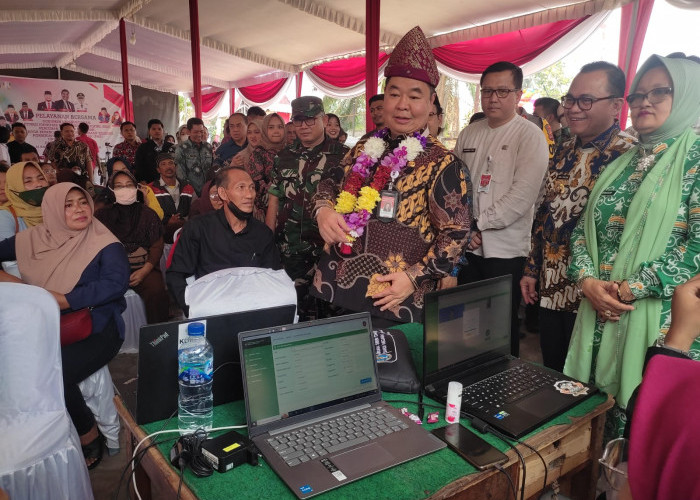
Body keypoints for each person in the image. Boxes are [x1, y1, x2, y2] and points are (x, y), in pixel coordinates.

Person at [565, 53, 700, 440]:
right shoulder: (623, 160)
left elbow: (697, 250)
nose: (645, 101)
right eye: (638, 93)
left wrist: (628, 290)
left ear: (690, 95)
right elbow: (582, 231)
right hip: (597, 312)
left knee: (644, 439)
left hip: (661, 323)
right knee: (592, 431)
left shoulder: (696, 159)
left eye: (661, 91)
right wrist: (588, 282)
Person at [312, 26, 472, 325]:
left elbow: (456, 234)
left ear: (431, 101)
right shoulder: (365, 145)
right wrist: (323, 209)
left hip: (396, 299)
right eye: (394, 93)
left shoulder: (444, 164)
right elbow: (331, 180)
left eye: (414, 96)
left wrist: (414, 278)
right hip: (340, 290)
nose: (402, 105)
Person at [0, 182, 130, 469]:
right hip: (43, 325)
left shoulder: (103, 242)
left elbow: (115, 283)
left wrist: (65, 300)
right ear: (52, 210)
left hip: (96, 326)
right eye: (67, 205)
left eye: (82, 202)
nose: (79, 210)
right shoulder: (33, 238)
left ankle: (88, 433)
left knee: (55, 373)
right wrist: (20, 286)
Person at [521, 62, 636, 372]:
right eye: (569, 100)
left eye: (586, 100)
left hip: (595, 295)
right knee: (552, 373)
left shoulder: (631, 156)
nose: (572, 108)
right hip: (551, 286)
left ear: (615, 105)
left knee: (586, 384)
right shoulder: (562, 149)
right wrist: (532, 268)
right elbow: (542, 213)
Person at [454, 61, 549, 356]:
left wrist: (478, 225)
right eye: (487, 91)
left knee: (499, 326)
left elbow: (523, 195)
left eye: (502, 91)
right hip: (467, 246)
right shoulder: (470, 133)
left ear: (518, 94)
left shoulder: (529, 135)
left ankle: (503, 386)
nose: (493, 98)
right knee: (465, 322)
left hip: (505, 250)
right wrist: (463, 228)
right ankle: (465, 377)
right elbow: (454, 184)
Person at [266, 96, 349, 318]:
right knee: (295, 310)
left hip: (329, 247)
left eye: (310, 120)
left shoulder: (343, 156)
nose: (303, 126)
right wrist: (268, 237)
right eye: (298, 120)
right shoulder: (283, 157)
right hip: (290, 248)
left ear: (323, 119)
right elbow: (274, 198)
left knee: (333, 310)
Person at [166, 166, 281, 315]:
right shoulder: (199, 228)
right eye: (241, 187)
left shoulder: (262, 233)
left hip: (252, 310)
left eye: (252, 188)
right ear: (223, 193)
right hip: (210, 309)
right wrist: (194, 309)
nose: (249, 195)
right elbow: (176, 275)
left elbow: (273, 278)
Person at [95, 170, 168, 324]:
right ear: (112, 190)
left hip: (144, 266)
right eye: (119, 186)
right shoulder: (102, 216)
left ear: (136, 188)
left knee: (156, 291)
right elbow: (96, 247)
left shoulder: (148, 214)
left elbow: (157, 245)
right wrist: (115, 272)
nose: (125, 189)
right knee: (102, 294)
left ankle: (159, 337)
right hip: (112, 270)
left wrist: (145, 270)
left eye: (129, 185)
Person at [149, 152, 196, 243]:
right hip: (162, 241)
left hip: (186, 237)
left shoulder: (188, 187)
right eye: (163, 164)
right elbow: (149, 218)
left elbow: (196, 210)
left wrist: (184, 222)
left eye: (171, 163)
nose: (168, 167)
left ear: (175, 167)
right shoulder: (151, 189)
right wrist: (168, 223)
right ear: (158, 170)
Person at [248, 113, 286, 221]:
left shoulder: (290, 151)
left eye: (280, 127)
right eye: (271, 127)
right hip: (266, 209)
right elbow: (257, 185)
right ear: (264, 130)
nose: (276, 131)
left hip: (290, 209)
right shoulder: (258, 153)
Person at [0, 161, 49, 240]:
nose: (38, 184)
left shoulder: (56, 209)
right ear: (14, 187)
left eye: (41, 178)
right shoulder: (5, 217)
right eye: (28, 181)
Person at [45, 122, 94, 187]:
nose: (70, 133)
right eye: (67, 131)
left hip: (82, 179)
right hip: (63, 180)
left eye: (72, 131)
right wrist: (59, 174)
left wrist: (91, 180)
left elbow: (89, 162)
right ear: (61, 132)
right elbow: (53, 162)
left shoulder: (83, 146)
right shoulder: (54, 146)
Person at [174, 117, 213, 196]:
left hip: (209, 191)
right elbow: (180, 173)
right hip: (191, 193)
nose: (199, 135)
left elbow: (212, 168)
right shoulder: (181, 148)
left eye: (201, 131)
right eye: (195, 132)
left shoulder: (208, 147)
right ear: (189, 132)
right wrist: (190, 191)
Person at [134, 118, 174, 184]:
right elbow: (139, 166)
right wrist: (142, 180)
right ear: (149, 131)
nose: (157, 131)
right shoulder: (143, 147)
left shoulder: (171, 146)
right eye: (153, 129)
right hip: (150, 183)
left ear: (163, 131)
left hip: (169, 181)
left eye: (159, 129)